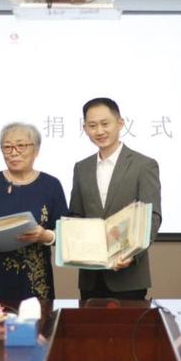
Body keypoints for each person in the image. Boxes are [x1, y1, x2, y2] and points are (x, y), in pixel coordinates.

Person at [70, 97, 162, 301]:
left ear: (120, 123)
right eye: (92, 125)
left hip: (128, 278)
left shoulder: (144, 165)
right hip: (90, 276)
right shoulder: (81, 168)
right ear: (85, 129)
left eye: (105, 123)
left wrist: (131, 254)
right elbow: (76, 215)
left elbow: (152, 217)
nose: (99, 131)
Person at [0, 123, 67, 301]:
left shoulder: (51, 185)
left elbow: (66, 233)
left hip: (35, 282)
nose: (13, 152)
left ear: (36, 150)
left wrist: (45, 235)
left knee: (38, 319)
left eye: (21, 145)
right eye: (7, 147)